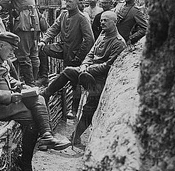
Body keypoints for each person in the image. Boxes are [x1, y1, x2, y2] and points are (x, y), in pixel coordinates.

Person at [0, 32, 71, 171]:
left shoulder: (1, 58)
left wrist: (20, 85)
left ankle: (44, 139)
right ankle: (34, 152)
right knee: (34, 113)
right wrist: (11, 96)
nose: (13, 53)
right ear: (1, 45)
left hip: (7, 102)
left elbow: (7, 79)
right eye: (11, 49)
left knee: (36, 100)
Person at [41, 10, 126, 147]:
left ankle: (76, 136)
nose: (102, 22)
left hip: (100, 80)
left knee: (89, 108)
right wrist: (84, 65)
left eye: (106, 20)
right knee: (68, 71)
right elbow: (91, 53)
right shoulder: (102, 35)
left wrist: (89, 69)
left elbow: (108, 66)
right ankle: (46, 93)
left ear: (114, 23)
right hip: (86, 71)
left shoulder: (119, 43)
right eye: (102, 20)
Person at [0, 0, 41, 86]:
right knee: (33, 53)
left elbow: (1, 1)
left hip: (24, 22)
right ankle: (35, 81)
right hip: (33, 22)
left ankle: (30, 84)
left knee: (23, 55)